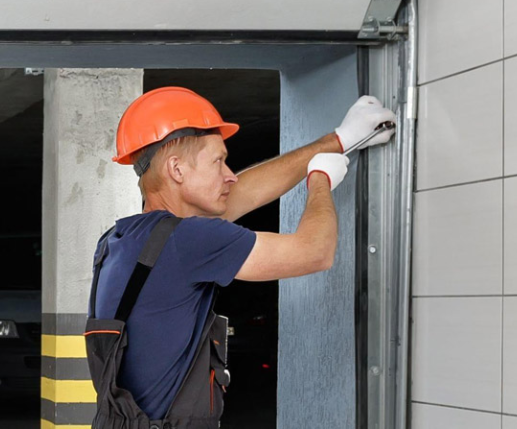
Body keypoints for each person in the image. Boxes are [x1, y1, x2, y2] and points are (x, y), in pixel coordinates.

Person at [85, 87, 396, 429]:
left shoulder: (122, 241)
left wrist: (339, 140)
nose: (229, 174)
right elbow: (314, 252)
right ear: (177, 170)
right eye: (218, 161)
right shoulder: (188, 241)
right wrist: (320, 178)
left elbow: (242, 191)